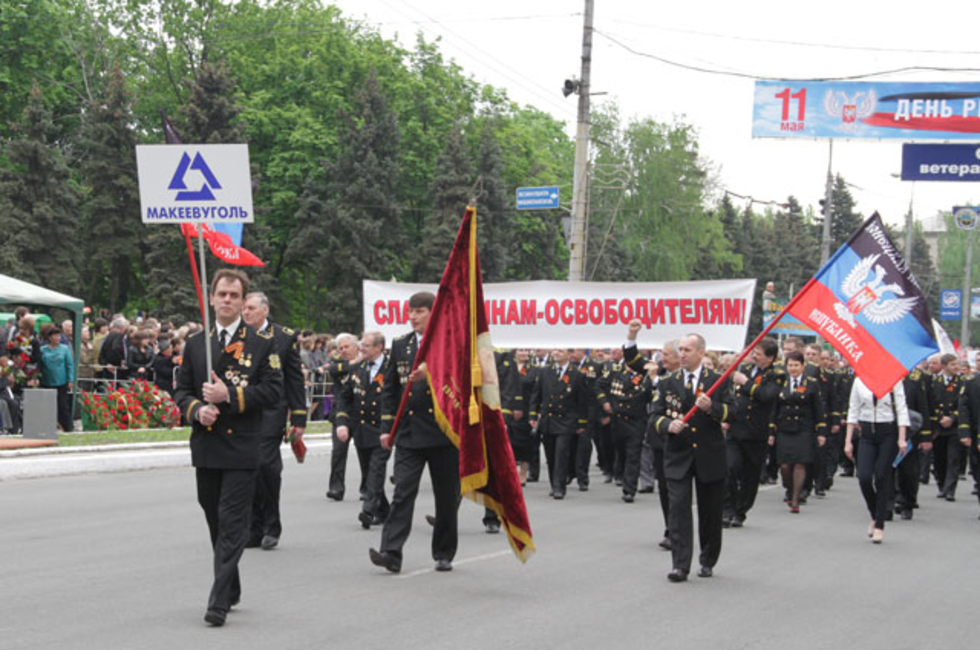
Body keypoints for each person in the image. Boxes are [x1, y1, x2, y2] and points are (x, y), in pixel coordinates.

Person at [173, 269, 283, 627]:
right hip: (206, 445)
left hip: (241, 446)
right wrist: (196, 409)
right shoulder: (194, 344)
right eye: (221, 294)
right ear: (211, 297)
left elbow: (272, 392)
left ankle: (218, 601)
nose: (227, 300)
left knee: (233, 522)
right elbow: (182, 391)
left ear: (243, 301)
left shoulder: (263, 343)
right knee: (214, 518)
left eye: (234, 296)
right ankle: (232, 584)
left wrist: (229, 396)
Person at [369, 291, 459, 574]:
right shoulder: (401, 345)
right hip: (409, 432)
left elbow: (460, 380)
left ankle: (443, 552)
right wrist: (387, 429)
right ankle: (391, 552)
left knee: (446, 497)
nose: (413, 316)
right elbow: (391, 391)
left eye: (419, 311)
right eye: (411, 311)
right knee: (402, 492)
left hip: (444, 433)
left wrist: (430, 370)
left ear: (434, 313)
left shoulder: (451, 342)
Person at [645, 327, 731, 583]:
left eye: (687, 350)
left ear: (701, 352)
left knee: (710, 512)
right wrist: (667, 425)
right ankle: (680, 565)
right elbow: (655, 415)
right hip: (678, 455)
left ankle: (707, 559)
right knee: (679, 509)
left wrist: (712, 407)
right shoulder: (667, 382)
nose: (681, 354)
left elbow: (733, 411)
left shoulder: (717, 380)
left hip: (709, 454)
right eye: (679, 350)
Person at [241, 292, 306, 550]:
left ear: (264, 311)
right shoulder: (238, 335)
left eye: (251, 308)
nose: (246, 313)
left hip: (272, 409)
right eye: (244, 308)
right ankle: (254, 528)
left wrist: (299, 416)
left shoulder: (284, 336)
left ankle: (271, 525)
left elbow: (294, 378)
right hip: (245, 408)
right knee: (249, 469)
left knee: (266, 464)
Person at [724, 337, 783, 526]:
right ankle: (727, 508)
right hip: (736, 428)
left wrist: (746, 383)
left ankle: (741, 511)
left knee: (750, 476)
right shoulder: (745, 369)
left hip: (756, 433)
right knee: (730, 467)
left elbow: (766, 396)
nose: (754, 356)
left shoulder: (776, 375)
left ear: (770, 358)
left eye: (758, 354)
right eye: (753, 352)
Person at [335, 331, 390, 529]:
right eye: (361, 345)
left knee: (376, 469)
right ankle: (384, 510)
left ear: (379, 347)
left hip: (383, 428)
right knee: (368, 472)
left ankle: (368, 510)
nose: (361, 348)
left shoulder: (390, 367)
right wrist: (342, 422)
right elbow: (345, 397)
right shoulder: (357, 368)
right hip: (361, 429)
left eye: (366, 345)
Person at [845, 376, 908, 544]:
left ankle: (879, 524)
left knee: (881, 476)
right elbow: (853, 409)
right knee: (864, 477)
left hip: (888, 431)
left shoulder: (894, 381)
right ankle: (874, 514)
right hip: (866, 432)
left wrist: (902, 438)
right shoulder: (860, 380)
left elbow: (902, 409)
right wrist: (848, 441)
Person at [770, 351, 826, 513]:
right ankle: (789, 488)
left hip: (804, 428)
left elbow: (818, 409)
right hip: (784, 429)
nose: (793, 368)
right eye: (790, 365)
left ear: (803, 366)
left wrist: (821, 431)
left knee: (800, 463)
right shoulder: (781, 382)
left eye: (796, 365)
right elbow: (774, 408)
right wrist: (771, 431)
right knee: (785, 466)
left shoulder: (812, 384)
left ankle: (795, 499)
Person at [529, 348, 589, 500]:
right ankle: (553, 483)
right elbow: (536, 395)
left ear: (569, 354)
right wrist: (533, 415)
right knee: (550, 454)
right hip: (548, 419)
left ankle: (559, 487)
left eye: (560, 351)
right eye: (555, 350)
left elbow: (582, 400)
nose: (556, 353)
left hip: (567, 420)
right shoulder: (544, 372)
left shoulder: (577, 374)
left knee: (561, 453)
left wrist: (582, 421)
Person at [604, 338, 655, 503]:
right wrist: (605, 402)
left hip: (636, 421)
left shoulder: (644, 378)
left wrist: (650, 379)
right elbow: (600, 386)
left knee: (633, 455)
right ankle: (620, 474)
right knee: (622, 452)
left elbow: (647, 396)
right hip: (618, 421)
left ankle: (629, 489)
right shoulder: (616, 373)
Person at [929, 353, 967, 501]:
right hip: (939, 427)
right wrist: (940, 418)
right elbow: (931, 402)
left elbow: (964, 404)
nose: (956, 367)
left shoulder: (962, 382)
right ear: (944, 366)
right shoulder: (934, 382)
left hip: (954, 426)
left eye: (957, 364)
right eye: (953, 364)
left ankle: (950, 489)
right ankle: (941, 485)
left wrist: (952, 418)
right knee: (939, 459)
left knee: (953, 458)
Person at [325, 333, 358, 501]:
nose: (344, 351)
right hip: (341, 414)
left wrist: (358, 362)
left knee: (365, 453)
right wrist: (354, 364)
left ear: (356, 346)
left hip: (361, 414)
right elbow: (332, 369)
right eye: (341, 348)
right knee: (338, 452)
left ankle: (368, 488)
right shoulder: (337, 364)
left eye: (347, 347)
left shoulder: (366, 362)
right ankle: (336, 487)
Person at [498, 348, 537, 485]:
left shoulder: (534, 369)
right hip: (508, 408)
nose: (523, 353)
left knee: (524, 444)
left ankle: (523, 474)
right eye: (521, 350)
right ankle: (512, 472)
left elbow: (535, 392)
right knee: (510, 443)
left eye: (526, 350)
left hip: (525, 410)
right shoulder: (508, 365)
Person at [39, 327, 74, 432]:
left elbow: (69, 365)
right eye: (55, 336)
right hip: (47, 381)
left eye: (59, 336)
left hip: (61, 381)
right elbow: (40, 365)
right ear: (49, 337)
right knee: (47, 406)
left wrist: (70, 379)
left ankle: (67, 427)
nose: (57, 338)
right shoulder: (43, 350)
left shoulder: (65, 349)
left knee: (63, 405)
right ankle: (48, 427)